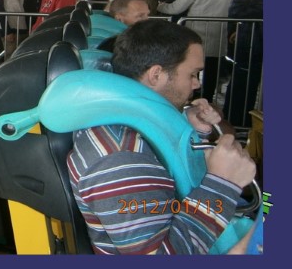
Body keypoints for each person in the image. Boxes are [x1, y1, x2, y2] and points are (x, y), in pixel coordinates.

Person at [67, 19, 256, 255]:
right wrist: (223, 184)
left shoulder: (131, 120)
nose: (197, 84)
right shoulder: (120, 157)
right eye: (193, 74)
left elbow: (164, 169)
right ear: (156, 75)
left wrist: (191, 130)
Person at [158, 0, 236, 102]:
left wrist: (160, 7)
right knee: (212, 67)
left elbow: (177, 7)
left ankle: (192, 97)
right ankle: (208, 98)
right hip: (219, 30)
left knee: (192, 66)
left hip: (196, 30)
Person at [223, 0, 263, 128]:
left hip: (252, 50)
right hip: (253, 47)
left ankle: (236, 121)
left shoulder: (259, 1)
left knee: (242, 88)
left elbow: (236, 13)